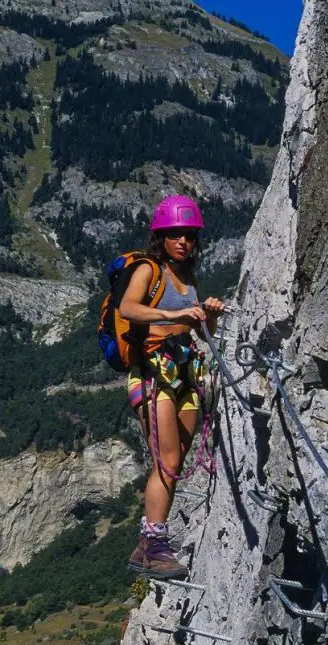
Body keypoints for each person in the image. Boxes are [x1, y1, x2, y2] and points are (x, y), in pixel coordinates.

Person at [119, 195, 225, 579]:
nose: (183, 242)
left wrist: (206, 317)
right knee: (165, 460)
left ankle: (148, 547)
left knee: (177, 459)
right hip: (152, 372)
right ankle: (154, 542)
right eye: (175, 235)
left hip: (185, 370)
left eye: (190, 236)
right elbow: (128, 308)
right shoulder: (149, 270)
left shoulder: (189, 278)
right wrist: (172, 312)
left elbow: (198, 331)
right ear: (161, 237)